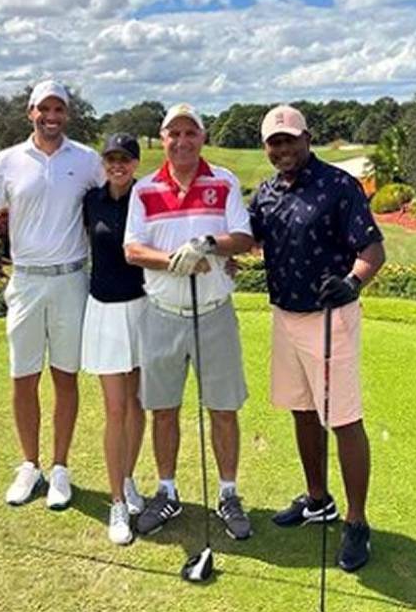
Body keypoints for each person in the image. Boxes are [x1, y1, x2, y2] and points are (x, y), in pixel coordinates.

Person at [248, 104, 386, 571]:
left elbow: (373, 248)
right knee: (303, 410)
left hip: (331, 317)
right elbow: (246, 239)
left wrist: (353, 281)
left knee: (343, 418)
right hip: (285, 314)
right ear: (267, 147)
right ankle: (317, 499)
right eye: (274, 142)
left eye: (289, 139)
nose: (282, 149)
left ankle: (357, 521)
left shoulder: (337, 186)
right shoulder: (265, 192)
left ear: (307, 139)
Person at [0, 79, 104, 510]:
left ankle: (61, 468)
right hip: (25, 280)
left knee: (65, 376)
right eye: (43, 109)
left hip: (70, 280)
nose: (51, 117)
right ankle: (30, 466)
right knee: (23, 377)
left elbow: (117, 202)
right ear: (30, 112)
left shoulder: (86, 160)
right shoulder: (8, 161)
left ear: (67, 113)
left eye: (58, 109)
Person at [123, 103, 255, 540]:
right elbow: (133, 250)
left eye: (190, 133)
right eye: (172, 134)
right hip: (162, 315)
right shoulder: (144, 190)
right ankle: (167, 491)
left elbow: (244, 236)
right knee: (164, 410)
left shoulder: (224, 181)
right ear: (162, 140)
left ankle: (228, 493)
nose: (182, 142)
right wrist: (175, 261)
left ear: (202, 136)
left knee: (222, 409)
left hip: (214, 313)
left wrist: (207, 244)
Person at [81, 133, 149, 545]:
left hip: (142, 308)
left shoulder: (146, 198)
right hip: (104, 312)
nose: (117, 165)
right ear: (103, 163)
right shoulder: (91, 200)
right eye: (111, 159)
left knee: (138, 404)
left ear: (136, 163)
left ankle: (127, 479)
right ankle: (117, 504)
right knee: (116, 409)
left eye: (125, 159)